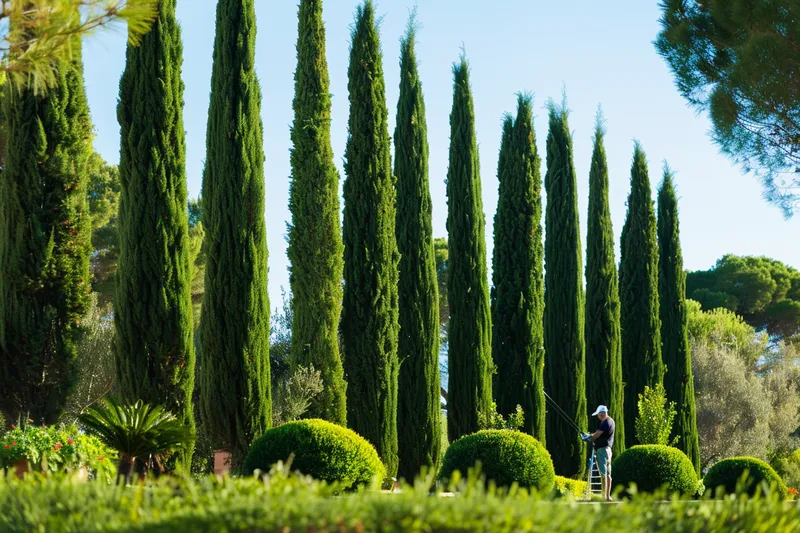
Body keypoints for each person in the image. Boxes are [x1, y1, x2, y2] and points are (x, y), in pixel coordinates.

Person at [582, 405, 615, 501]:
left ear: (602, 414)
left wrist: (588, 438)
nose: (598, 417)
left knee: (603, 473)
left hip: (602, 450)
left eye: (599, 415)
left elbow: (596, 435)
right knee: (608, 474)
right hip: (608, 450)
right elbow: (599, 434)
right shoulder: (611, 421)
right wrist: (589, 436)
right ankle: (608, 496)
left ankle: (603, 496)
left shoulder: (605, 422)